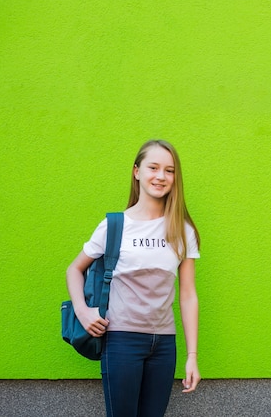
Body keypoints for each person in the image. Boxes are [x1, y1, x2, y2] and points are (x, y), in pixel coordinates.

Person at [66, 139, 201, 416]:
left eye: (169, 170)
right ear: (137, 171)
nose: (161, 176)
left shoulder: (182, 230)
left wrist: (192, 356)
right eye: (153, 167)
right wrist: (83, 311)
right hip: (121, 340)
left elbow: (188, 294)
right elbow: (74, 269)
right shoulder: (115, 225)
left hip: (164, 344)